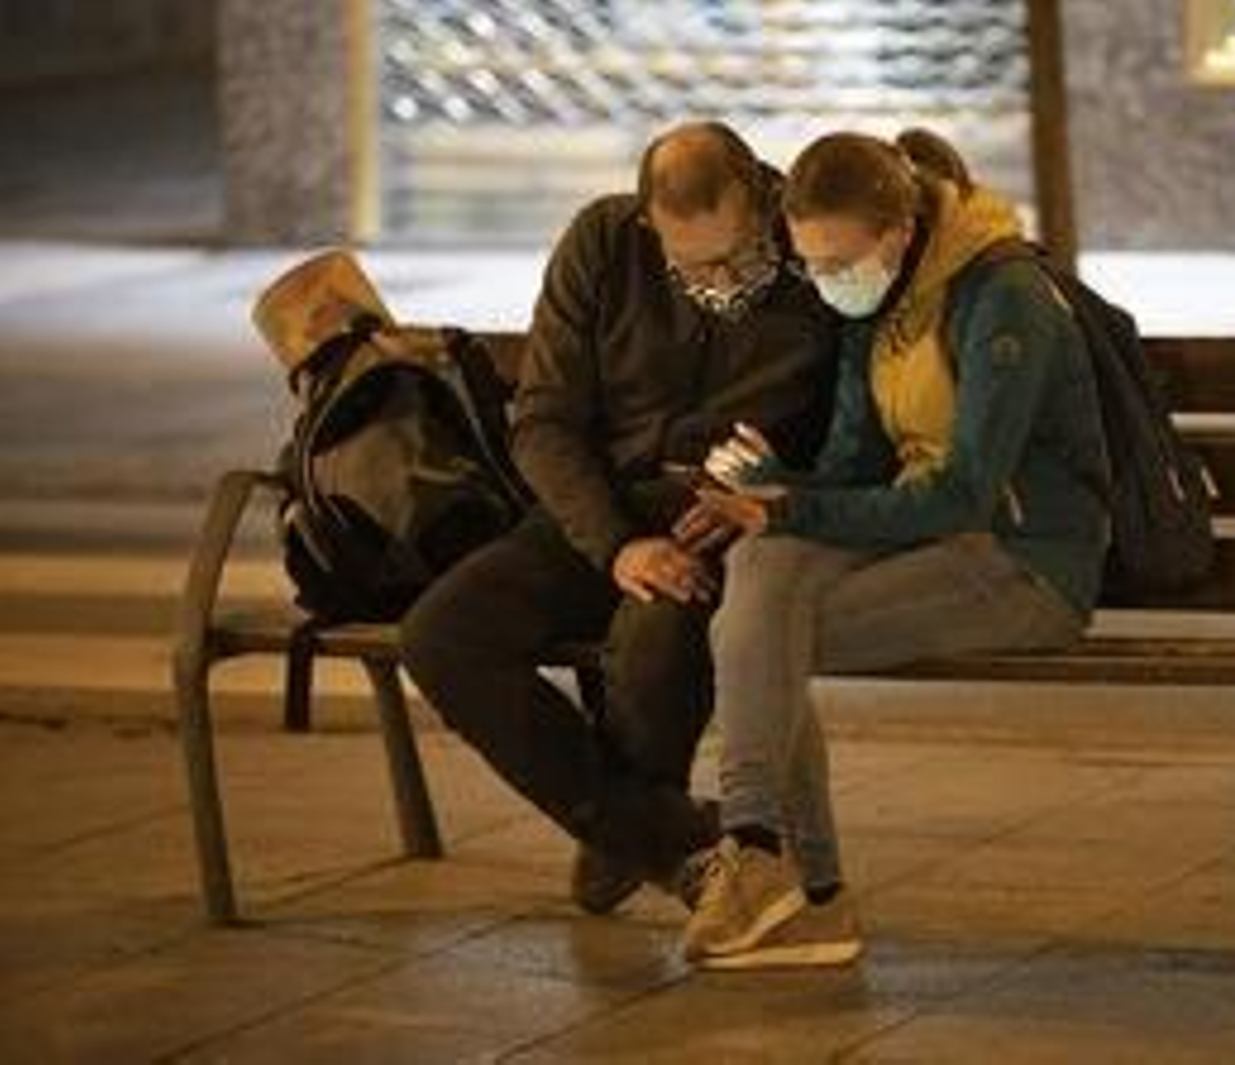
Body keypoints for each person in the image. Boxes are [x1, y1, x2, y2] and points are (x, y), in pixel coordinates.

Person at [672, 130, 1112, 968]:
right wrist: (775, 488)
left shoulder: (1004, 297)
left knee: (760, 634)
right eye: (812, 264)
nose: (829, 281)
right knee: (763, 567)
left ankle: (796, 881)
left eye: (840, 262)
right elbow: (852, 465)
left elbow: (965, 492)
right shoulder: (881, 302)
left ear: (900, 233)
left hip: (1022, 560)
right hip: (926, 540)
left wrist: (795, 509)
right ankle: (770, 863)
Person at [399, 122, 836, 915]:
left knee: (657, 635)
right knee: (441, 635)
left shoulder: (813, 252)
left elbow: (854, 432)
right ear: (647, 224)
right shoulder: (603, 243)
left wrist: (770, 494)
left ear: (761, 200)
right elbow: (544, 422)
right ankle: (661, 836)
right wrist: (616, 543)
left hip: (731, 525)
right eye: (692, 265)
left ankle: (625, 837)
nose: (719, 280)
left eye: (735, 257)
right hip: (600, 511)